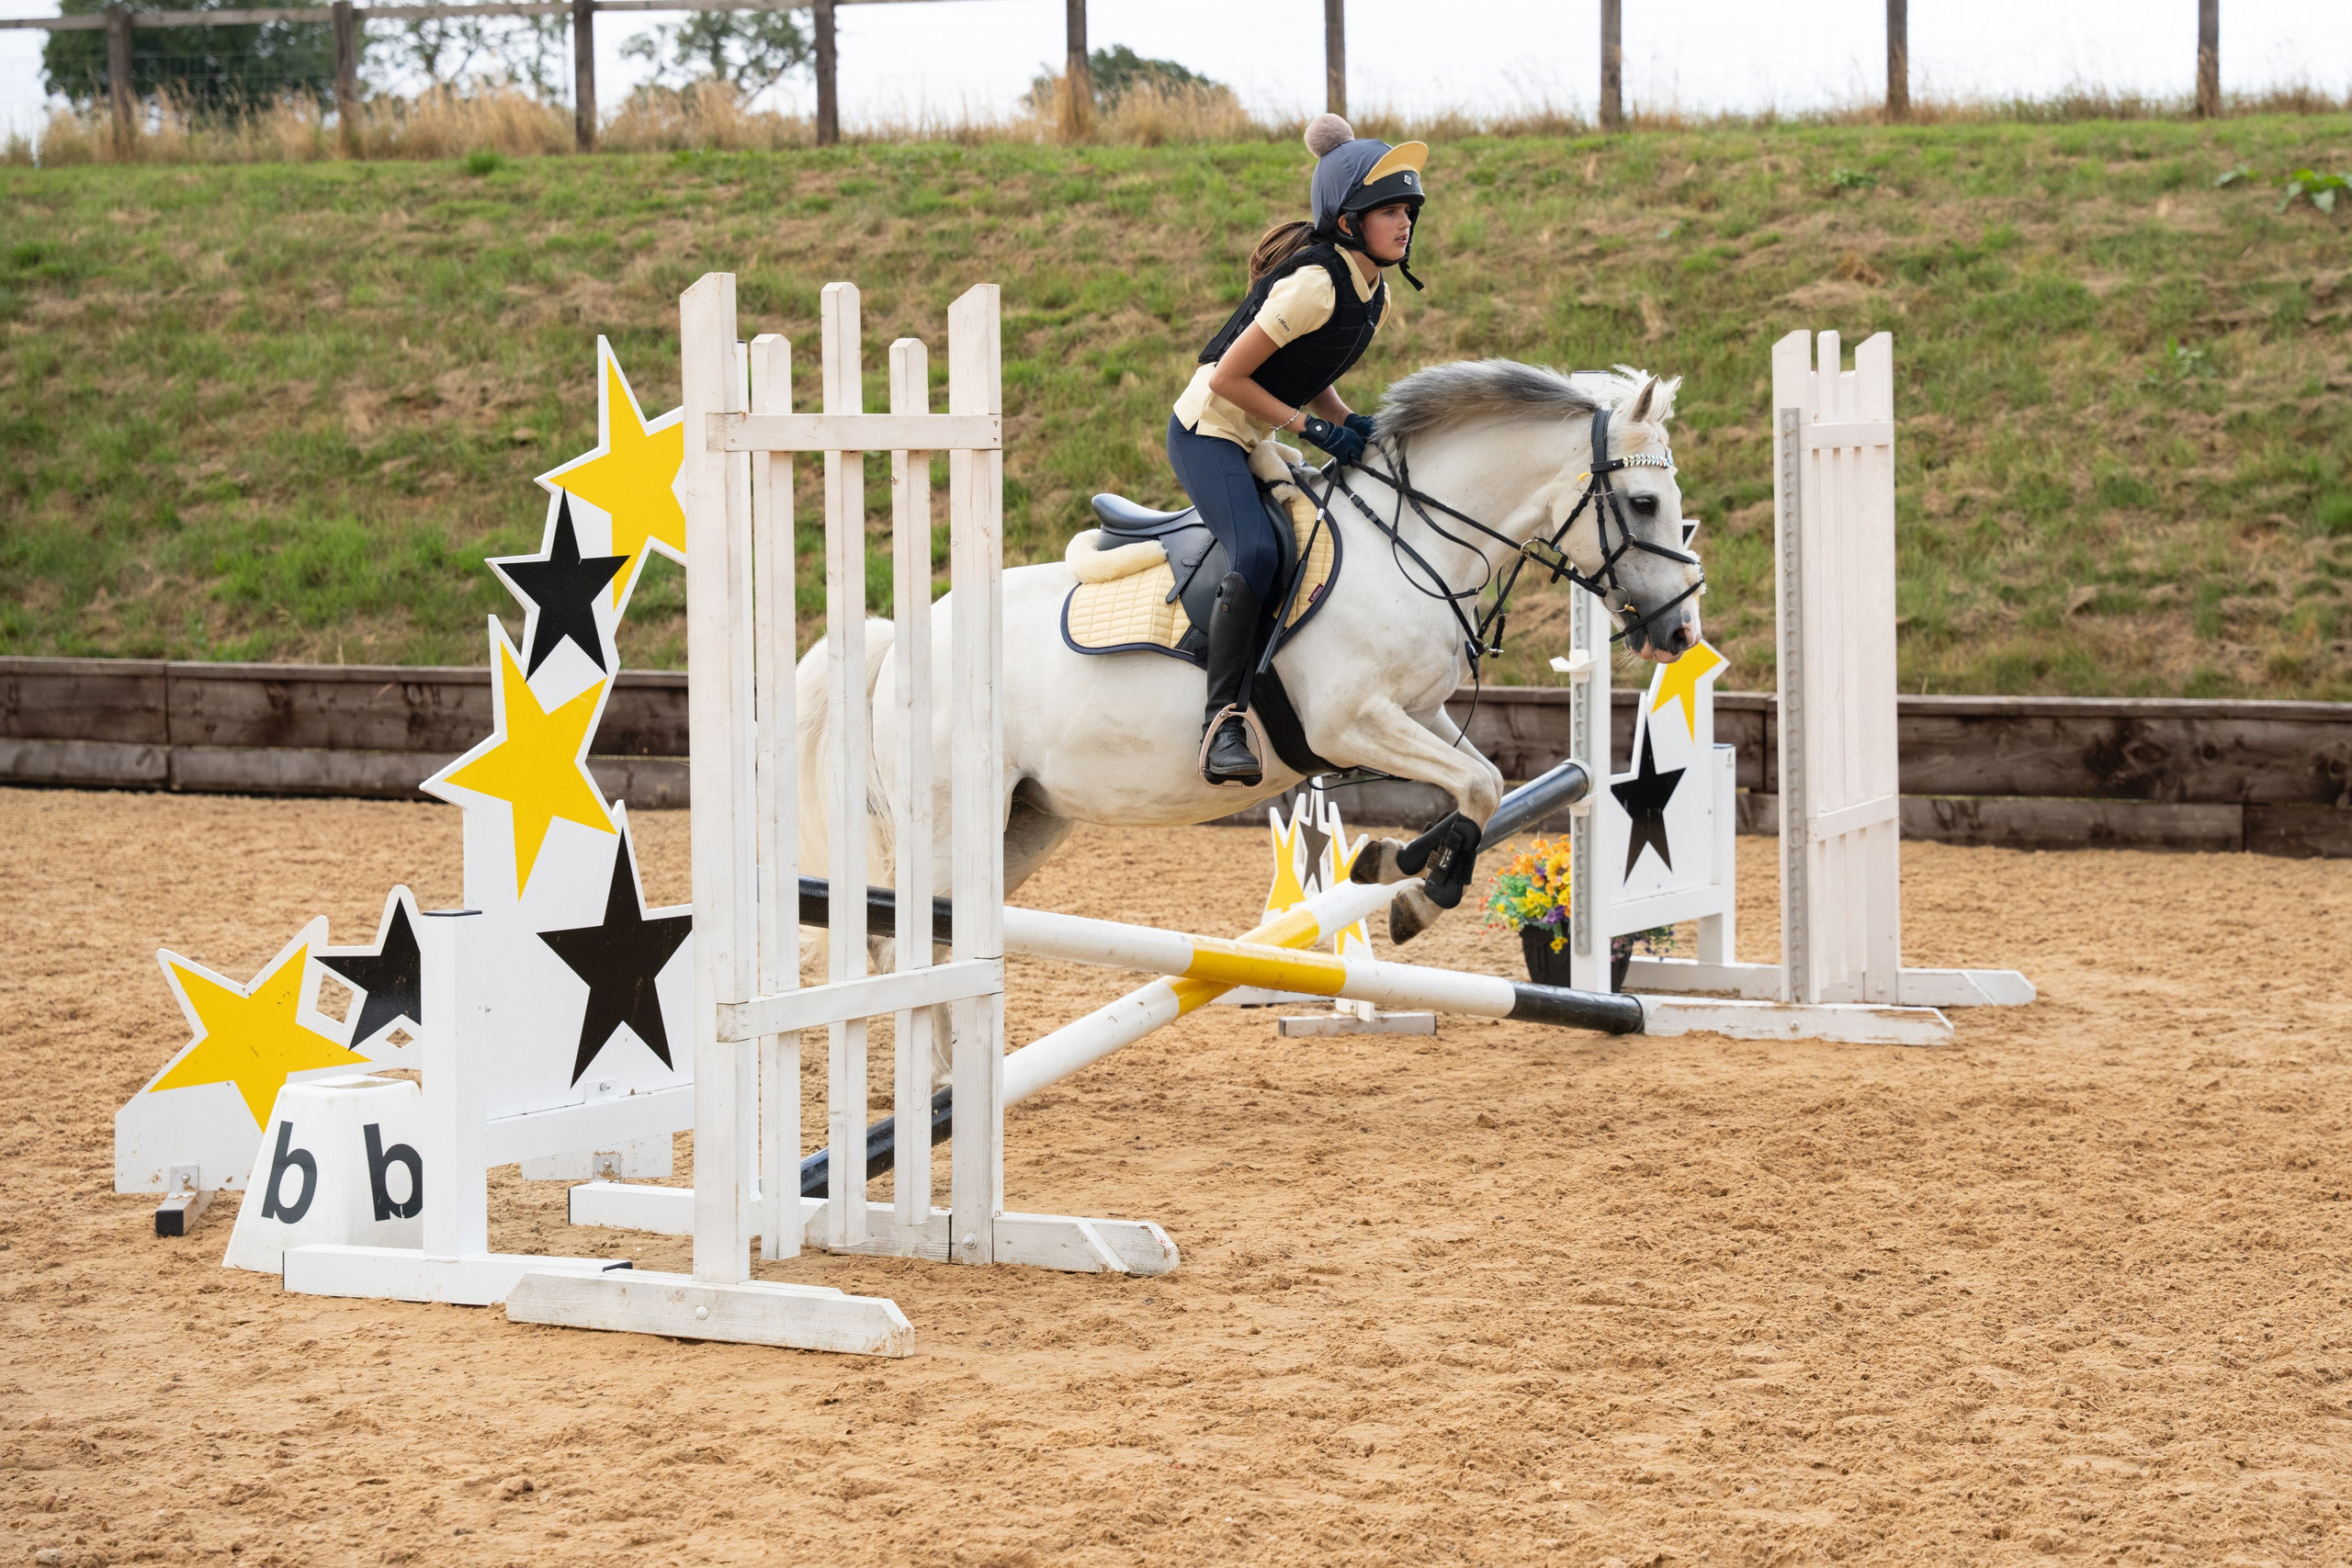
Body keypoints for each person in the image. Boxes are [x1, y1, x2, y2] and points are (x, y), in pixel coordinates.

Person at [1169, 114, 1429, 787]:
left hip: (1254, 432)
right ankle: (1222, 718)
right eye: (1388, 211)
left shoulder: (1376, 290)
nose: (1403, 223)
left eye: (1407, 211)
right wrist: (1314, 431)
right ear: (1347, 220)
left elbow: (1308, 367)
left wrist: (1346, 418)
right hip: (1207, 430)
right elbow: (1228, 376)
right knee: (1255, 549)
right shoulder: (1315, 282)